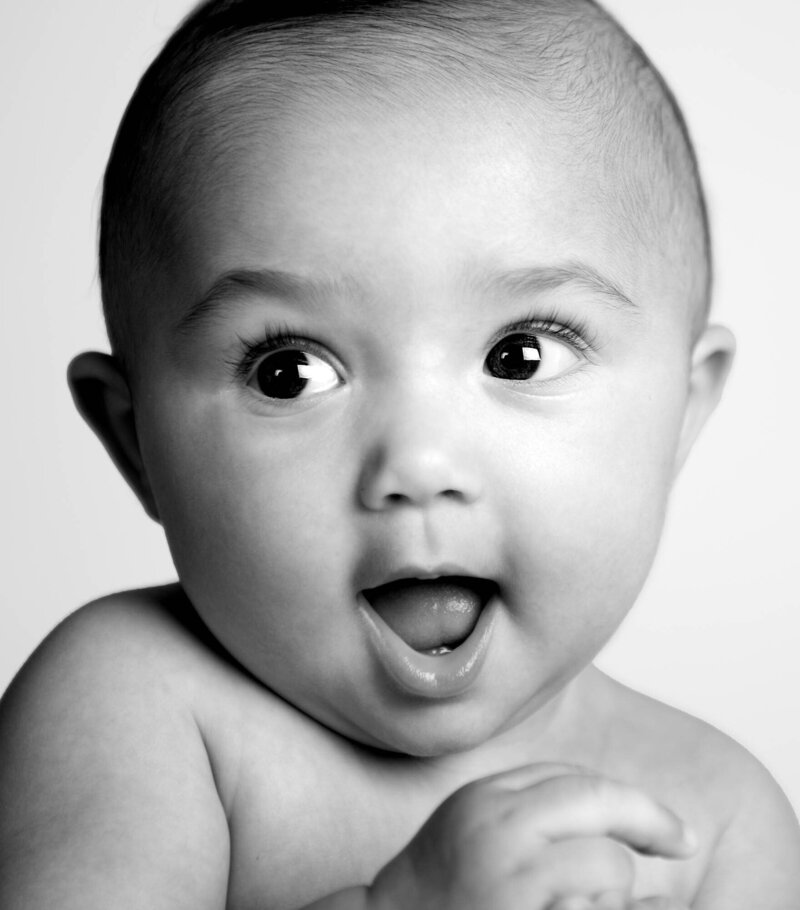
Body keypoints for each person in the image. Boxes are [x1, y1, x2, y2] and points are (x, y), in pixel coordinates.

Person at [1, 0, 798, 907]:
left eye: (519, 356)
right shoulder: (135, 705)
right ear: (134, 442)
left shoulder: (720, 816)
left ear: (682, 412)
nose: (418, 465)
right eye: (290, 371)